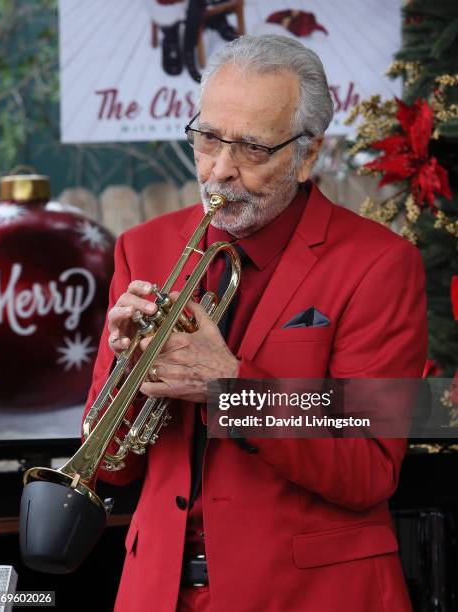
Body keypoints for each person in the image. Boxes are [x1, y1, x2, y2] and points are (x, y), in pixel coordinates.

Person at [84, 35, 426, 612]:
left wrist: (232, 390)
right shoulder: (143, 248)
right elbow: (111, 470)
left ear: (308, 153)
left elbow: (372, 465)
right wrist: (124, 372)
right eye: (209, 138)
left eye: (253, 150)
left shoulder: (379, 264)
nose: (220, 170)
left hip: (313, 595)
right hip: (155, 591)